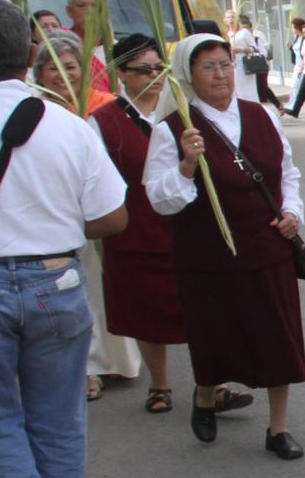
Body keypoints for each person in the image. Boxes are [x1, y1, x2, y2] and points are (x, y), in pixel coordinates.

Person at [0, 0, 128, 478]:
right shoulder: (65, 123)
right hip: (56, 280)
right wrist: (52, 224)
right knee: (58, 419)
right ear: (31, 54)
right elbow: (112, 217)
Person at [143, 34, 305, 459]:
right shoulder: (174, 130)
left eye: (225, 65)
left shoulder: (261, 115)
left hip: (267, 249)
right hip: (207, 257)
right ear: (188, 76)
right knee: (215, 335)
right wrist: (186, 164)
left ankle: (278, 427)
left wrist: (292, 213)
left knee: (278, 337)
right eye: (208, 68)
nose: (220, 75)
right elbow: (160, 200)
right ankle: (205, 394)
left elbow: (286, 173)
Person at [85, 34, 254, 420]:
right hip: (136, 231)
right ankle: (159, 383)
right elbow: (98, 179)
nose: (153, 77)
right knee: (148, 312)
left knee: (205, 309)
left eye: (158, 68)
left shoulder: (185, 111)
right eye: (141, 70)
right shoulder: (104, 121)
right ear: (121, 75)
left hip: (190, 227)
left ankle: (214, 384)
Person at [31, 31, 140, 401]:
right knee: (73, 291)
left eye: (71, 66)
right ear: (39, 73)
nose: (63, 74)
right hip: (55, 210)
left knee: (102, 285)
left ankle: (115, 359)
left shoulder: (106, 105)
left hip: (100, 207)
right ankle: (87, 367)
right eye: (52, 67)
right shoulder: (34, 109)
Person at [60, 0, 114, 98]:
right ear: (69, 11)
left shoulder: (116, 50)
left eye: (95, 6)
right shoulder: (59, 48)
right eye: (81, 5)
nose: (90, 11)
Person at [230, 13, 286, 115]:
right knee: (260, 89)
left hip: (256, 66)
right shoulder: (230, 35)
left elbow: (261, 51)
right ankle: (275, 106)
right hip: (239, 67)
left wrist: (243, 50)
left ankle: (272, 108)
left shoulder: (257, 36)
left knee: (262, 88)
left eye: (247, 27)